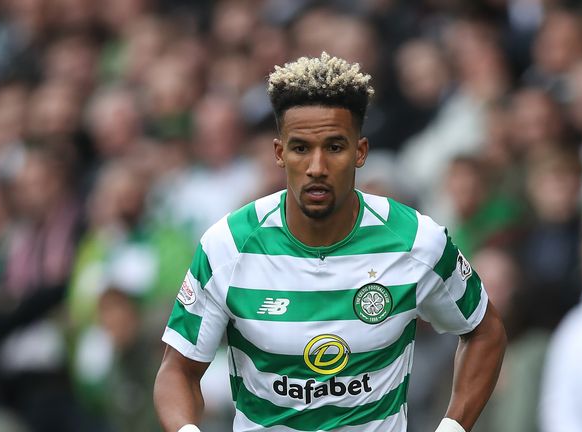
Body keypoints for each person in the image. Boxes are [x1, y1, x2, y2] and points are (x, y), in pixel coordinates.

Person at [153, 52, 507, 432]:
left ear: (360, 152)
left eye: (335, 147)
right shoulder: (227, 247)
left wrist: (453, 428)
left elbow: (485, 332)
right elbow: (178, 370)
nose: (317, 167)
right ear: (279, 153)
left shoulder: (417, 242)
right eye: (301, 148)